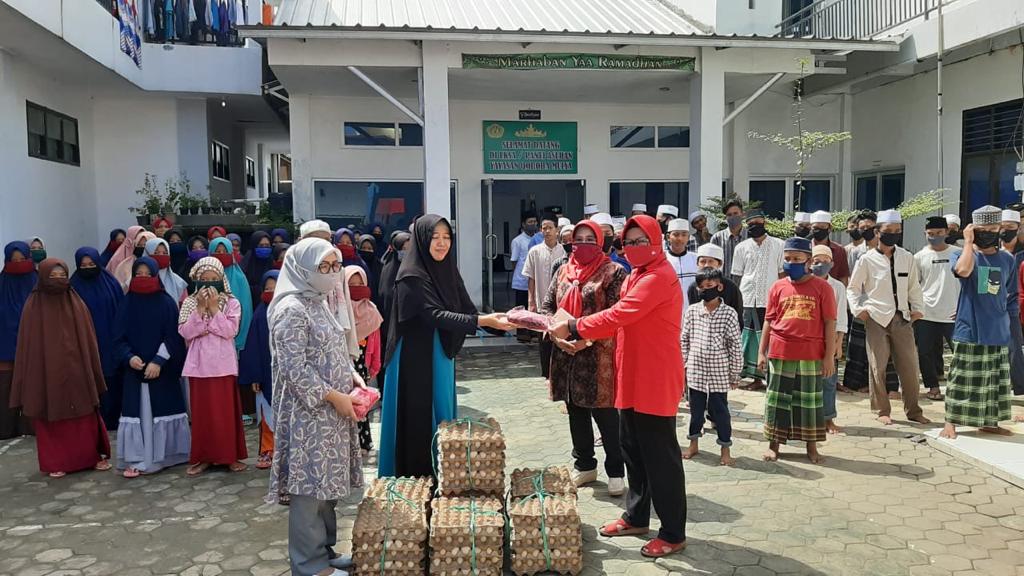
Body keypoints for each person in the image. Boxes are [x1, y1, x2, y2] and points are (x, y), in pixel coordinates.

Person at [550, 215, 686, 558]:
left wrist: (577, 327)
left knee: (661, 458)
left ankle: (672, 531)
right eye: (630, 242)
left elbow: (620, 314)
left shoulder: (658, 277)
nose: (636, 248)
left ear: (657, 242)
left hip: (654, 378)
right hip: (628, 374)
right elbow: (614, 321)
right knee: (633, 451)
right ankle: (637, 516)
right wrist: (577, 336)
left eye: (643, 241)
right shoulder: (637, 274)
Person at [378, 215, 512, 478]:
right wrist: (481, 320)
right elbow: (433, 314)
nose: (441, 244)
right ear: (422, 240)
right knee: (418, 416)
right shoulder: (411, 275)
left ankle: (443, 474)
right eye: (435, 238)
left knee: (440, 414)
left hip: (438, 352)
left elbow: (466, 307)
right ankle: (416, 477)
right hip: (414, 358)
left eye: (446, 237)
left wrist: (507, 320)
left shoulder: (447, 269)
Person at [266, 238, 366, 576]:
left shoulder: (318, 301)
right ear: (301, 268)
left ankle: (323, 551)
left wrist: (352, 378)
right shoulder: (290, 309)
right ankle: (309, 565)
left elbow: (332, 349)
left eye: (334, 266)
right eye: (323, 267)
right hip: (307, 415)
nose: (330, 273)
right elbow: (295, 370)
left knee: (327, 485)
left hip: (331, 414)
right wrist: (335, 397)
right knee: (308, 489)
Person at [541, 220, 627, 495]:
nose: (585, 243)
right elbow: (548, 306)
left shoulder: (614, 272)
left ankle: (616, 470)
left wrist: (587, 338)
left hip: (599, 354)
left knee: (606, 415)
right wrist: (555, 335)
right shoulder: (563, 271)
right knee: (575, 411)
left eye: (592, 238)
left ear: (601, 240)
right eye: (580, 238)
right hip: (566, 354)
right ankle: (585, 465)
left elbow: (618, 313)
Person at [10, 259, 112, 477]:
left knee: (84, 413)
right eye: (52, 276)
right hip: (47, 372)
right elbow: (29, 346)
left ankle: (91, 457)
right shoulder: (33, 305)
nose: (58, 280)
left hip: (77, 369)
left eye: (61, 275)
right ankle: (56, 462)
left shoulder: (75, 301)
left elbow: (88, 340)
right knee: (51, 414)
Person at [846, 210, 929, 425]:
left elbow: (914, 287)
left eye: (897, 231)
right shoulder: (866, 259)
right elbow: (853, 288)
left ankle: (914, 410)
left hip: (902, 317)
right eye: (888, 231)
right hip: (876, 317)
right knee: (877, 366)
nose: (893, 234)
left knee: (910, 366)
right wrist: (859, 309)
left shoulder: (907, 257)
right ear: (878, 232)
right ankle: (882, 410)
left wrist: (918, 308)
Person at [941, 206, 1018, 439]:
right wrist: (967, 243)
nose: (987, 233)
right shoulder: (964, 255)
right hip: (970, 327)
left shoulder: (1006, 259)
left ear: (999, 229)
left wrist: (1012, 326)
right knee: (962, 377)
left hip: (999, 328)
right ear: (972, 230)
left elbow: (1011, 294)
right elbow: (963, 271)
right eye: (981, 230)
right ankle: (950, 422)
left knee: (994, 381)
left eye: (992, 229)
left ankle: (989, 422)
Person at [758, 237, 836, 463]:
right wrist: (762, 352)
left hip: (811, 353)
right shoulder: (777, 286)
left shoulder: (823, 288)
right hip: (780, 352)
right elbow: (768, 320)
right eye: (787, 259)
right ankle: (774, 445)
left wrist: (829, 356)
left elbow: (830, 322)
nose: (791, 263)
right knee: (777, 401)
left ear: (809, 261)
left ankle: (812, 447)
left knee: (809, 403)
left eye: (797, 259)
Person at [113, 257, 190, 477]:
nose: (144, 278)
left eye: (149, 274)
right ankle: (138, 457)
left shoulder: (166, 303)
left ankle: (168, 455)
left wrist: (159, 361)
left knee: (161, 409)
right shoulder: (126, 304)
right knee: (139, 413)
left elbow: (174, 337)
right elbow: (118, 338)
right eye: (139, 274)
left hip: (161, 370)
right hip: (134, 370)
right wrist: (129, 357)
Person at [178, 257, 247, 476]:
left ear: (222, 280)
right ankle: (204, 457)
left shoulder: (232, 303)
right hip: (198, 366)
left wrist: (215, 310)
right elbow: (185, 332)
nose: (209, 283)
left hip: (223, 365)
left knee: (224, 414)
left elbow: (230, 331)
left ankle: (229, 456)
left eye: (214, 279)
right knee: (202, 415)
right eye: (204, 279)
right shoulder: (189, 303)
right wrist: (200, 310)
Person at [681, 267, 741, 465]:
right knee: (695, 412)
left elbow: (735, 345)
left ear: (720, 286)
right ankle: (693, 444)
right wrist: (684, 365)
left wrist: (735, 373)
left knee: (720, 411)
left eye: (710, 286)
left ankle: (725, 449)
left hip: (719, 372)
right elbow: (684, 340)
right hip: (696, 371)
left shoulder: (729, 313)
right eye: (702, 287)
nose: (705, 290)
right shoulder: (692, 312)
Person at [843, 211, 902, 396]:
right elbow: (851, 282)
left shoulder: (892, 251)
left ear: (876, 229)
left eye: (869, 227)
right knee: (859, 348)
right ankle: (855, 383)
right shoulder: (854, 251)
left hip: (886, 307)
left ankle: (889, 386)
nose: (865, 231)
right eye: (862, 228)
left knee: (886, 350)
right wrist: (855, 307)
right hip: (862, 306)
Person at [71, 247, 125, 430]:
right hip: (84, 341)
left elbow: (121, 311)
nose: (88, 267)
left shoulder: (111, 284)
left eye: (92, 264)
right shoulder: (72, 287)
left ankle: (113, 418)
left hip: (110, 339)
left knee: (112, 377)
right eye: (83, 265)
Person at [732, 210, 786, 391]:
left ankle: (770, 376)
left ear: (765, 223)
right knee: (747, 338)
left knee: (769, 337)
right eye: (751, 223)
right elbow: (737, 276)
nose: (755, 226)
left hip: (770, 299)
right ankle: (753, 377)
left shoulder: (779, 245)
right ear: (747, 225)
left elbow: (781, 273)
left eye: (759, 222)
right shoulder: (742, 247)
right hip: (747, 298)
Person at [914, 217, 960, 401]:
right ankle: (932, 387)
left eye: (939, 233)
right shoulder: (919, 257)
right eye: (930, 234)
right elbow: (914, 286)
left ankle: (958, 387)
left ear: (947, 232)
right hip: (926, 313)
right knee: (924, 352)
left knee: (961, 353)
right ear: (925, 234)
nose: (935, 237)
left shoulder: (958, 253)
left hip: (954, 314)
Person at [239, 270, 279, 471]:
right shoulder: (259, 314)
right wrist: (255, 375)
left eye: (275, 288)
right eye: (267, 289)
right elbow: (252, 347)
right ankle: (267, 450)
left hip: (287, 376)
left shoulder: (290, 311)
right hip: (265, 374)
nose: (271, 292)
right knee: (267, 416)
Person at [0, 242, 37, 439]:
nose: (19, 264)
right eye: (13, 261)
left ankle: (31, 427)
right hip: (5, 350)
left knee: (32, 387)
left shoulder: (39, 285)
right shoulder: (1, 286)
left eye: (23, 260)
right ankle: (6, 429)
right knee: (5, 389)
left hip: (34, 348)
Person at [523, 214, 566, 381]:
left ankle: (558, 374)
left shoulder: (563, 251)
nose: (547, 231)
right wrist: (531, 302)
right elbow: (531, 278)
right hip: (542, 302)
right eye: (544, 228)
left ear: (557, 230)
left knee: (560, 337)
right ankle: (546, 374)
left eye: (550, 228)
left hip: (561, 304)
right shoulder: (534, 251)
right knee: (544, 339)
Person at [811, 245, 848, 434]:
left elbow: (841, 317)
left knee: (828, 380)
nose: (820, 264)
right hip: (808, 340)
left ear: (832, 263)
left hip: (829, 340)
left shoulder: (838, 287)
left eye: (824, 261)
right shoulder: (803, 284)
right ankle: (808, 419)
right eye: (816, 261)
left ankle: (828, 419)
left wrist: (838, 343)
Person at [346, 266, 383, 452]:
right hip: (343, 363)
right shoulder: (339, 310)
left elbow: (376, 342)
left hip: (362, 365)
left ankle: (363, 442)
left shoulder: (371, 310)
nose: (356, 288)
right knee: (346, 405)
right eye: (351, 284)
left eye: (360, 284)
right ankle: (348, 445)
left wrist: (374, 364)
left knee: (360, 403)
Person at [209, 237, 254, 351]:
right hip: (207, 341)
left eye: (225, 252)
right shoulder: (204, 278)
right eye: (217, 252)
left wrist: (239, 338)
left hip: (234, 339)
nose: (221, 254)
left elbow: (246, 310)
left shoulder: (240, 279)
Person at [687, 243, 743, 330]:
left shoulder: (731, 287)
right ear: (697, 263)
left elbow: (738, 317)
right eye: (703, 261)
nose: (706, 265)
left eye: (710, 261)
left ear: (719, 264)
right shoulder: (693, 287)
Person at [1000, 210, 1024, 396]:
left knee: (1015, 348)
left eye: (1010, 227)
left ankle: (1020, 386)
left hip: (1014, 306)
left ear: (1018, 228)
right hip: (991, 305)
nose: (1005, 231)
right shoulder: (991, 250)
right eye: (1003, 227)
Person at [711, 199, 748, 281]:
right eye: (729, 215)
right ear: (725, 217)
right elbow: (712, 265)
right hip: (723, 286)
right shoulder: (717, 238)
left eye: (736, 213)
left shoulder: (750, 236)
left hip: (746, 286)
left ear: (742, 214)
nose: (733, 217)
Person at [809, 210, 851, 284]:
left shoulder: (839, 250)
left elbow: (843, 276)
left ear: (829, 228)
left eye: (822, 227)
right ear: (811, 229)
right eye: (815, 227)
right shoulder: (805, 249)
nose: (819, 230)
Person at [666, 219, 698, 308]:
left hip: (693, 312)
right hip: (669, 310)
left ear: (688, 237)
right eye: (676, 234)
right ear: (668, 237)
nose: (680, 238)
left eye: (684, 235)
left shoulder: (697, 259)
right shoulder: (662, 260)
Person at [145, 238, 188, 304]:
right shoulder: (137, 280)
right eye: (156, 253)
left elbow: (184, 308)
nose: (161, 255)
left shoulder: (179, 283)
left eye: (165, 253)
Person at [511, 211, 539, 310]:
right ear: (523, 224)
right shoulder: (517, 241)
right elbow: (514, 261)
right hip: (522, 282)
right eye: (530, 222)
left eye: (535, 221)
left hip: (537, 281)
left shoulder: (540, 239)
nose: (533, 224)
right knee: (521, 311)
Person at [242, 231, 275, 304]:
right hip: (249, 302)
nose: (264, 248)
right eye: (261, 245)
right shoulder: (246, 264)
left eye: (267, 245)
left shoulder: (272, 263)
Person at [357, 234, 383, 302]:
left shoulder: (380, 266)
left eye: (369, 249)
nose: (366, 251)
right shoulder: (355, 265)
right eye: (363, 248)